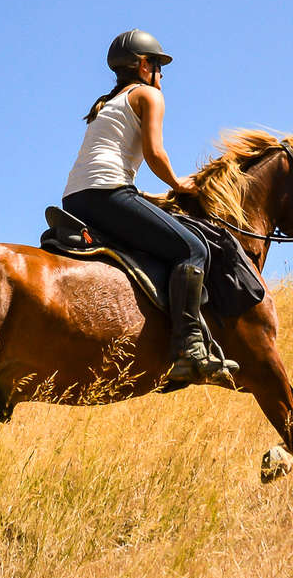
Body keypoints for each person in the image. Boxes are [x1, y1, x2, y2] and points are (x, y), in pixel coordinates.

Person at [62, 29, 239, 385]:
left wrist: (146, 197)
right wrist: (179, 183)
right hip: (107, 192)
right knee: (192, 248)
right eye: (159, 66)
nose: (161, 75)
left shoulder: (107, 103)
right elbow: (155, 154)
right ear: (145, 66)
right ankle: (189, 348)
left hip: (76, 197)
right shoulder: (148, 95)